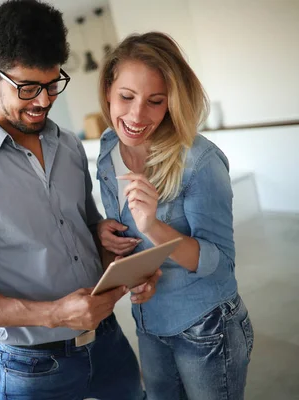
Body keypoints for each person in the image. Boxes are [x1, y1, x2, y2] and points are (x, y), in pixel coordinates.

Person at [0, 1, 161, 399]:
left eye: (52, 85)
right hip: (33, 367)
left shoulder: (66, 143)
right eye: (28, 88)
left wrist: (102, 234)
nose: (43, 101)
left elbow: (83, 225)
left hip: (108, 342)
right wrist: (52, 314)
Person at [95, 31, 254, 399]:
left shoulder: (198, 161)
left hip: (207, 326)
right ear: (107, 90)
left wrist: (153, 225)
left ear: (171, 103)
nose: (136, 115)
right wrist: (108, 232)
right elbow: (127, 238)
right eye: (126, 96)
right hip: (149, 321)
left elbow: (219, 261)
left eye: (155, 101)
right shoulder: (106, 150)